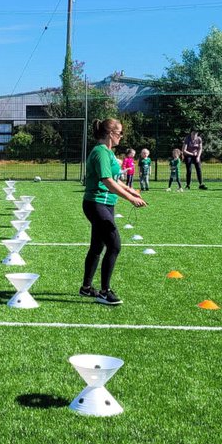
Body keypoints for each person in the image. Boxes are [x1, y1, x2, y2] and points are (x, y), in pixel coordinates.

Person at [80, 118, 147, 306]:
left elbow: (114, 179)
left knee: (97, 246)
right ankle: (104, 292)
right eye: (119, 133)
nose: (121, 136)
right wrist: (130, 198)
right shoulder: (100, 152)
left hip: (105, 204)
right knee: (114, 245)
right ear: (110, 134)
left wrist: (130, 190)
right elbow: (107, 181)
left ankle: (86, 288)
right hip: (97, 203)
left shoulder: (108, 152)